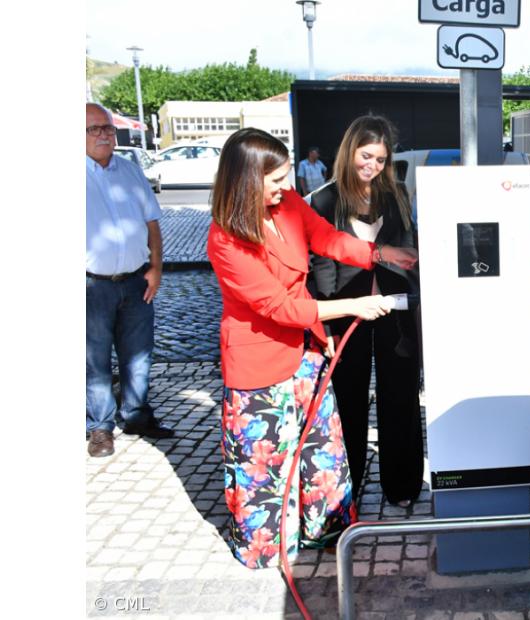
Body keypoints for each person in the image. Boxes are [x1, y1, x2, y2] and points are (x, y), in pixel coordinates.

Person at [206, 127, 417, 568]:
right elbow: (277, 306)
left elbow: (328, 240)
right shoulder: (225, 238)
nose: (286, 187)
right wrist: (354, 304)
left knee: (321, 447)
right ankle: (267, 545)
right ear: (246, 179)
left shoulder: (288, 205)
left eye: (286, 177)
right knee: (265, 458)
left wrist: (380, 255)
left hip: (306, 351)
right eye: (276, 180)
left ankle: (325, 529)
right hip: (260, 357)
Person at [307, 115, 425, 508]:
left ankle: (403, 485)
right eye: (366, 155)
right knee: (348, 401)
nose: (372, 165)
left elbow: (408, 250)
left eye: (380, 159)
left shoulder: (398, 195)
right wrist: (328, 318)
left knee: (401, 396)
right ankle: (348, 487)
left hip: (397, 310)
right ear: (350, 151)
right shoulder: (324, 199)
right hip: (346, 311)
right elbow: (321, 262)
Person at [86, 103, 174, 458]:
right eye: (94, 129)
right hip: (91, 284)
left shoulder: (130, 170)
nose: (105, 134)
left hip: (137, 280)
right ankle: (101, 427)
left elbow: (152, 221)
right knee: (94, 359)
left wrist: (156, 267)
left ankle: (137, 415)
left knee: (138, 354)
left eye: (107, 128)